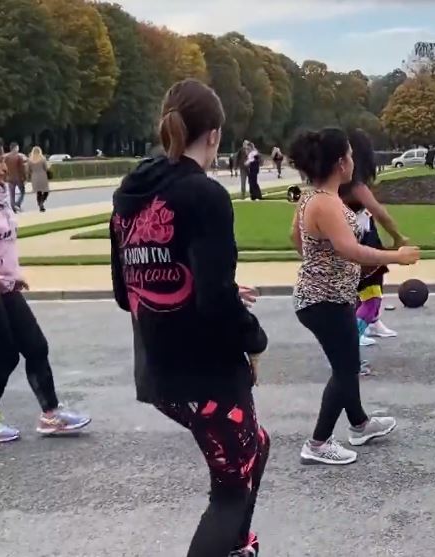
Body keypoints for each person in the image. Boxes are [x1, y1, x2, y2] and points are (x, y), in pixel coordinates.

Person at [109, 79, 270, 557]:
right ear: (215, 135)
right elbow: (217, 303)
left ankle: (238, 544)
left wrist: (204, 285)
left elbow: (127, 292)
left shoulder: (129, 196)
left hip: (158, 370)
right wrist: (254, 340)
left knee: (253, 449)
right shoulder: (203, 195)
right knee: (228, 492)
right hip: (205, 372)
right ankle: (230, 540)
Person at [0, 129, 90, 443]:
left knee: (36, 346)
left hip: (5, 287)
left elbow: (2, 244)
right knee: (5, 357)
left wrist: (12, 273)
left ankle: (51, 414)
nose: (5, 165)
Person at [289, 127, 420, 466]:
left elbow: (297, 238)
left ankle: (360, 424)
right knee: (346, 369)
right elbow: (351, 250)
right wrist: (397, 256)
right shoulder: (325, 203)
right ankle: (317, 443)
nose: (352, 160)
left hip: (328, 296)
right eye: (348, 154)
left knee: (345, 364)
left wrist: (320, 262)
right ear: (340, 163)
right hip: (323, 302)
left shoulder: (315, 197)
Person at [340, 129, 409, 351]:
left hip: (361, 231)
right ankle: (356, 332)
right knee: (370, 290)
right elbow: (380, 212)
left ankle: (371, 321)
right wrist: (398, 237)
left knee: (365, 286)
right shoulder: (356, 186)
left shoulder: (335, 184)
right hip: (360, 237)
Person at [3, 142, 27, 212]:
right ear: (16, 147)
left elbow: (4, 168)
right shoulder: (19, 157)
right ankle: (18, 203)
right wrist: (24, 178)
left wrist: (5, 177)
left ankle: (13, 207)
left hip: (10, 178)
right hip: (18, 178)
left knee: (12, 194)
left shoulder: (6, 157)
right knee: (22, 192)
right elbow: (22, 169)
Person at [27, 146, 51, 212]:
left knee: (38, 192)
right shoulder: (42, 159)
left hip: (34, 177)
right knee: (46, 191)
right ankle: (41, 203)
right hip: (42, 176)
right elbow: (46, 168)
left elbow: (28, 170)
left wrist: (28, 177)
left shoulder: (30, 160)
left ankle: (40, 204)